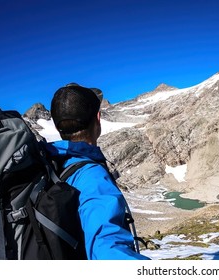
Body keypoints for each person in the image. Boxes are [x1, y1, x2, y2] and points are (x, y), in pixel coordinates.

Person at [43, 84, 150, 260]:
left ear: (57, 127)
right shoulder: (91, 175)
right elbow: (108, 250)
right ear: (98, 118)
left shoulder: (49, 164)